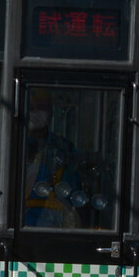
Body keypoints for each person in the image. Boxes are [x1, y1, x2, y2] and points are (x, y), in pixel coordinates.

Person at [21, 90, 81, 227]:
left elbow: (73, 190)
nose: (36, 113)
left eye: (42, 107)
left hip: (53, 228)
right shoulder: (11, 145)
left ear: (52, 113)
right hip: (16, 222)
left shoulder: (65, 148)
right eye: (31, 108)